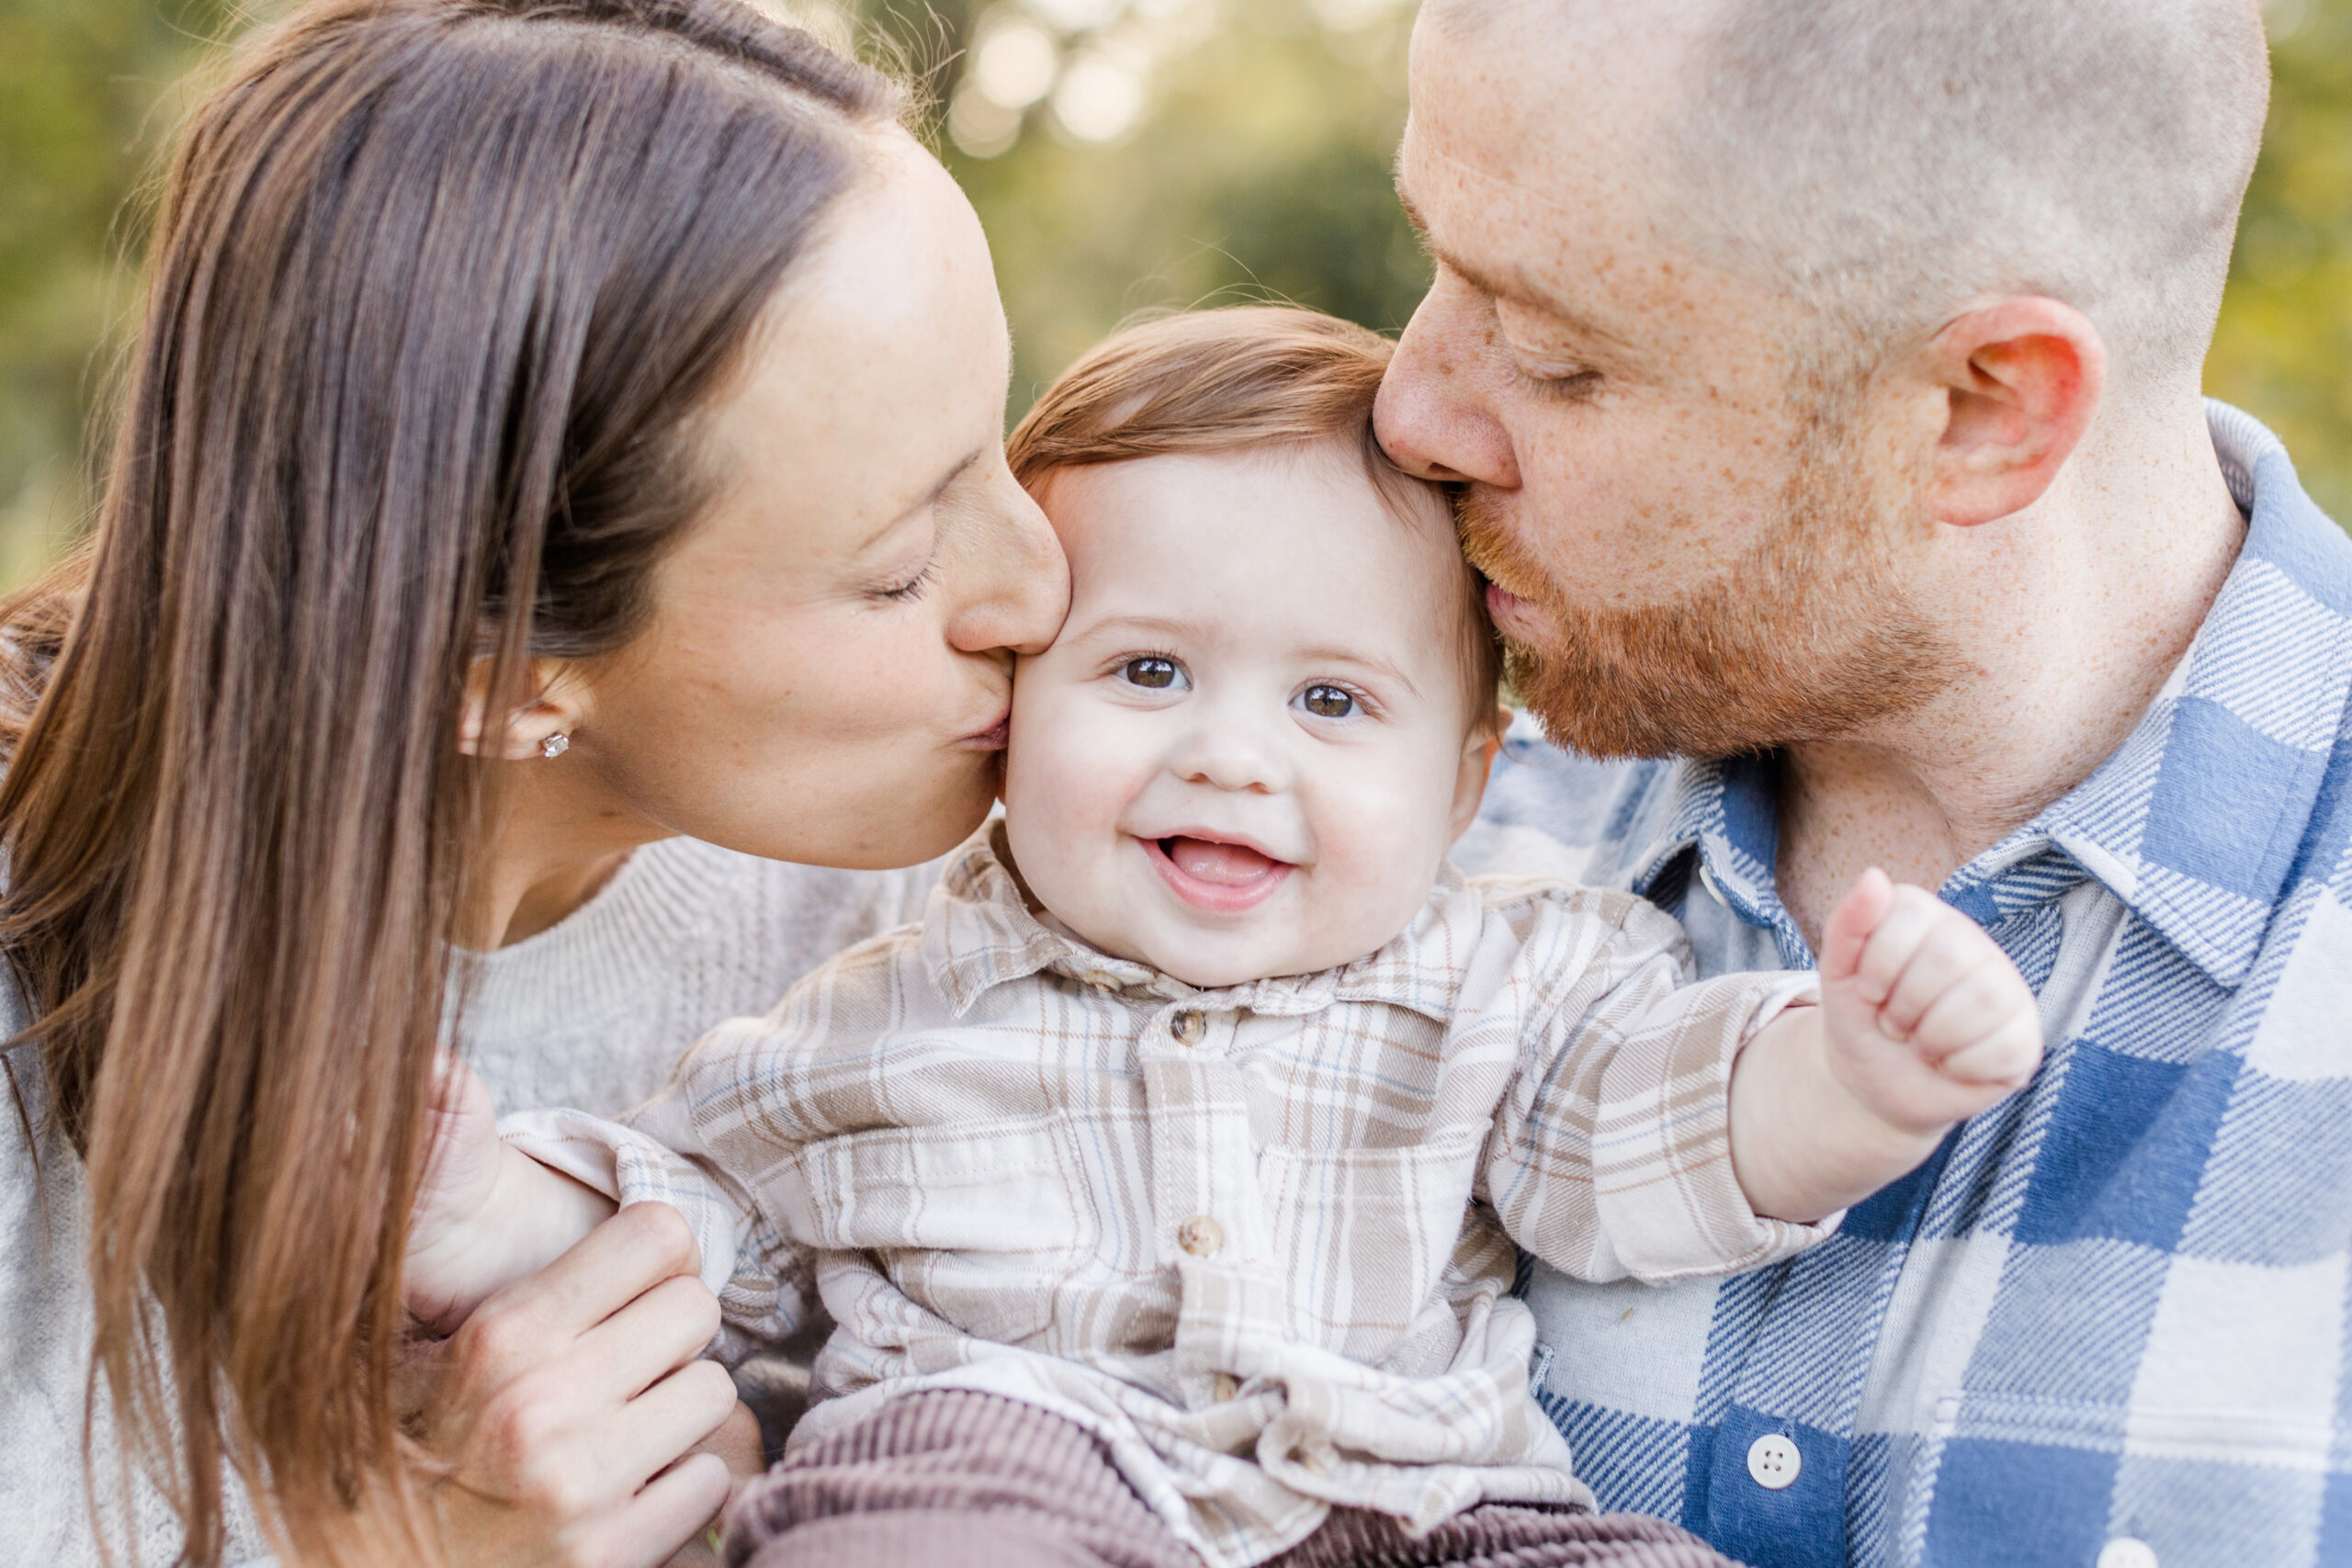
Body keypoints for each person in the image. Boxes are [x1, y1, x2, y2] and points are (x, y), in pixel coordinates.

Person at [401, 309, 2044, 1568]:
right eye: (1147, 674)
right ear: (1011, 713)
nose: (1233, 756)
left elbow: (1639, 1140)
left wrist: (1853, 1076)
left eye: (1332, 701)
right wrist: (474, 1203)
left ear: (1469, 778)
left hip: (1424, 1485)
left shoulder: (1519, 971)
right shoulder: (881, 1007)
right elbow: (690, 1223)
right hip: (1005, 1453)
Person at [0, 3, 1064, 1564]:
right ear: (499, 676)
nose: (1042, 585)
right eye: (903, 567)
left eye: (999, 442)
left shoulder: (963, 898)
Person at [1374, 2, 2352, 1565]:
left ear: (1983, 411)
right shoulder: (1351, 844)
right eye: (1435, 261)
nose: (1407, 411)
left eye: (1558, 359)